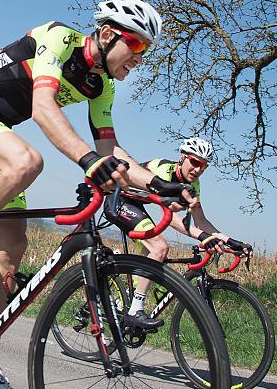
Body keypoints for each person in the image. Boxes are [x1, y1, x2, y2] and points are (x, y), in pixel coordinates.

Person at [0, 0, 196, 389]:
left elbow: (111, 148)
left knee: (10, 253)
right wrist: (88, 161)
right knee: (27, 162)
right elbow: (42, 107)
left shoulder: (102, 85)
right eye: (138, 46)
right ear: (107, 34)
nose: (140, 59)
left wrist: (159, 187)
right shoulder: (58, 38)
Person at [104, 137, 252, 329]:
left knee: (152, 257)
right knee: (160, 247)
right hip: (120, 201)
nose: (199, 169)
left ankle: (125, 304)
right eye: (195, 162)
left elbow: (200, 221)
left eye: (204, 166)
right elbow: (173, 220)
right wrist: (202, 237)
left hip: (140, 205)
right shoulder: (164, 171)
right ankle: (135, 310)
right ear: (182, 158)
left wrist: (231, 241)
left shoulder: (194, 185)